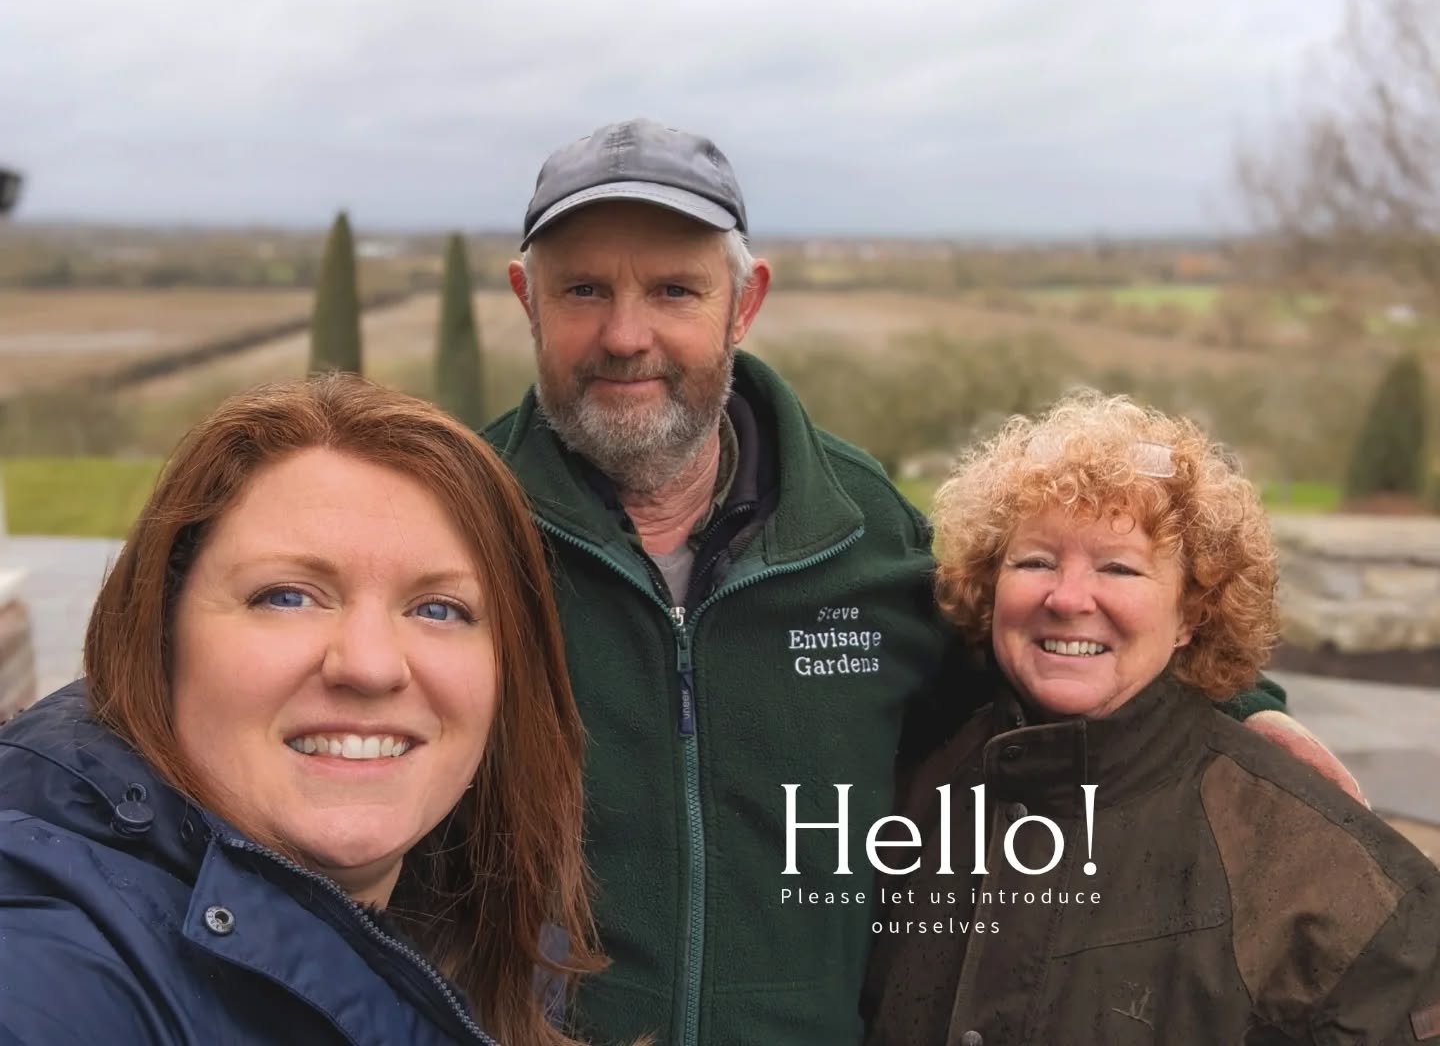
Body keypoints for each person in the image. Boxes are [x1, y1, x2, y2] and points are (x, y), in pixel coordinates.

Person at [485, 118, 1342, 1045]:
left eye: (673, 290)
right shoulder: (459, 524)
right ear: (528, 300)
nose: (625, 333)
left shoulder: (861, 530)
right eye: (583, 289)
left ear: (744, 303)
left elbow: (1051, 645)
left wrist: (1240, 703)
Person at [0, 375, 602, 1045]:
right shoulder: (55, 969)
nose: (371, 666)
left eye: (439, 609)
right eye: (287, 597)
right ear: (159, 637)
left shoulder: (483, 938)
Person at [862, 392, 1440, 1044]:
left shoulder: (1317, 865)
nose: (1068, 597)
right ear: (989, 584)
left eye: (1118, 567)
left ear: (1193, 612)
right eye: (1035, 561)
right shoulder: (908, 781)